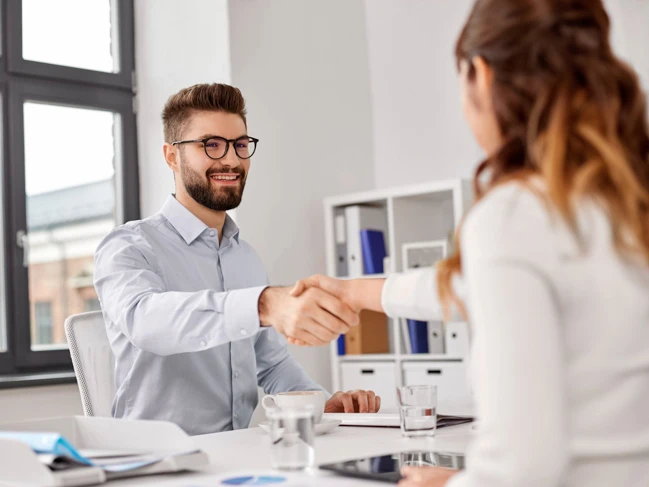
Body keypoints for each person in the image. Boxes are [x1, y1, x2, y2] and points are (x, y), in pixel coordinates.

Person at [291, 0, 649, 485]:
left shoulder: (515, 215)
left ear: (480, 74)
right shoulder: (622, 200)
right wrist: (353, 292)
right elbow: (466, 286)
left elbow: (521, 467)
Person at [94, 83, 380, 436]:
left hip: (238, 456)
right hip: (157, 464)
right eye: (211, 145)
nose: (230, 159)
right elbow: (145, 321)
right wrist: (262, 304)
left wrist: (322, 405)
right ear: (171, 156)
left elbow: (272, 363)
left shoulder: (244, 257)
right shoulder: (129, 246)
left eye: (240, 145)